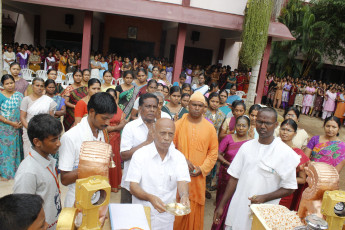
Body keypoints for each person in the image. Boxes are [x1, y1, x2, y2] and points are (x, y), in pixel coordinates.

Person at [213, 107, 300, 230]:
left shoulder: (285, 153)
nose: (263, 126)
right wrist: (221, 205)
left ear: (276, 125)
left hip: (263, 212)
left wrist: (265, 197)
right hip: (239, 207)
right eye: (259, 121)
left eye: (268, 123)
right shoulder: (246, 147)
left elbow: (290, 187)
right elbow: (233, 177)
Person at [126, 118, 191, 230]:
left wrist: (184, 195)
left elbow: (182, 181)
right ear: (153, 133)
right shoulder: (140, 155)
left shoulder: (178, 157)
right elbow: (133, 186)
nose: (166, 138)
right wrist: (149, 197)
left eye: (170, 134)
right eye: (163, 133)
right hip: (142, 214)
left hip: (166, 217)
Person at [59, 92, 117, 207]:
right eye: (104, 118)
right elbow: (65, 179)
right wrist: (92, 165)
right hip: (77, 201)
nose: (107, 123)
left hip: (99, 197)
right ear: (91, 112)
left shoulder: (102, 131)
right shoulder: (71, 137)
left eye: (109, 119)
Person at [173, 91, 218, 230]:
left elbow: (213, 152)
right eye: (194, 105)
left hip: (198, 178)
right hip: (178, 177)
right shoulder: (178, 124)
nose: (197, 108)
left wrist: (202, 169)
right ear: (188, 104)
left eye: (200, 105)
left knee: (195, 209)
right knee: (177, 209)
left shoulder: (210, 128)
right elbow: (170, 149)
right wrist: (182, 161)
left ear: (204, 107)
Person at [14, 114, 63, 230]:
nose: (59, 143)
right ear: (37, 142)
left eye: (59, 138)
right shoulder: (28, 172)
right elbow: (23, 211)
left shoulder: (49, 160)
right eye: (54, 140)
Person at [211, 116, 251, 230]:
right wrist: (227, 163)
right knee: (221, 204)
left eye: (244, 126)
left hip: (242, 180)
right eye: (239, 125)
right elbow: (217, 154)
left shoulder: (251, 143)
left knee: (235, 205)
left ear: (248, 127)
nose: (241, 128)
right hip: (226, 177)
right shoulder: (228, 138)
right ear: (235, 126)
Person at [120, 93, 159, 203]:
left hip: (153, 184)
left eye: (154, 107)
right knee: (127, 217)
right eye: (148, 106)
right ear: (140, 109)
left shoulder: (161, 127)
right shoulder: (130, 127)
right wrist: (147, 142)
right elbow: (124, 155)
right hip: (131, 184)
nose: (152, 110)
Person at [20, 77, 57, 157]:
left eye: (42, 86)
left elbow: (51, 119)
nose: (39, 88)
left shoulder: (48, 101)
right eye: (37, 85)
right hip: (29, 131)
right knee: (29, 154)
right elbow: (22, 117)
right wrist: (31, 129)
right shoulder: (26, 100)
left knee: (43, 155)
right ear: (32, 86)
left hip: (44, 132)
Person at [278, 119, 309, 211]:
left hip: (285, 192)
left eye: (289, 130)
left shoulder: (298, 154)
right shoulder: (272, 147)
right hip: (267, 189)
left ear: (295, 133)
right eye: (283, 129)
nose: (284, 132)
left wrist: (284, 179)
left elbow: (302, 179)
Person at [0, 75, 23, 180]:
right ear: (3, 85)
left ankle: (16, 171)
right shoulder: (0, 95)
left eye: (11, 83)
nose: (10, 85)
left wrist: (21, 122)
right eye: (7, 84)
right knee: (5, 151)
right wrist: (9, 122)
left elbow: (23, 109)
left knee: (16, 149)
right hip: (4, 129)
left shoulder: (18, 95)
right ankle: (5, 173)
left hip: (17, 128)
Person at [106, 88, 128, 193]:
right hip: (104, 138)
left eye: (113, 98)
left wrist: (117, 127)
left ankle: (114, 184)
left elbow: (123, 123)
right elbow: (104, 127)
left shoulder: (119, 110)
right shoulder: (103, 110)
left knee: (115, 161)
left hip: (116, 139)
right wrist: (116, 127)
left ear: (116, 98)